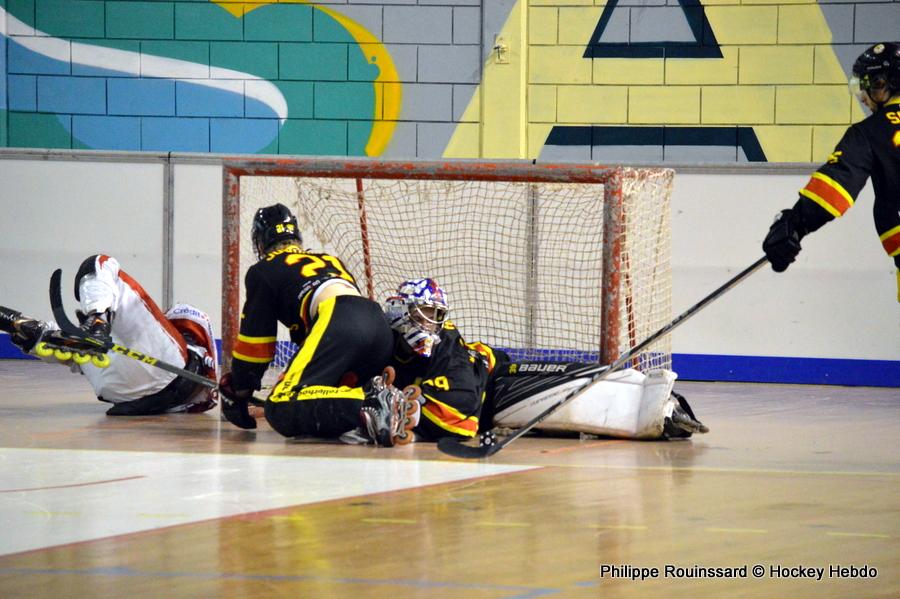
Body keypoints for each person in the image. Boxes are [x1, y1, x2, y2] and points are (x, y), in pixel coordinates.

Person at [378, 278, 706, 443]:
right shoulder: (385, 345)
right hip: (494, 407)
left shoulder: (446, 344)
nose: (431, 322)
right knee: (567, 413)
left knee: (583, 383)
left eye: (437, 315)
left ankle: (665, 408)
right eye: (425, 312)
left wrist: (411, 422)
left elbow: (460, 421)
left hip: (500, 381)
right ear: (400, 310)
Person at [218, 203, 420, 447]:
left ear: (260, 242)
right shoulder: (330, 260)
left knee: (280, 404)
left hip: (339, 318)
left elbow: (256, 348)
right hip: (376, 324)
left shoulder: (263, 270)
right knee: (318, 393)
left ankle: (371, 403)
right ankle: (377, 401)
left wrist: (240, 387)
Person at [762, 42, 900, 301]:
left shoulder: (870, 132)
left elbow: (832, 191)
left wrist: (793, 226)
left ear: (884, 83)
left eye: (867, 86)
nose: (865, 97)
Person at [0, 255, 219, 415]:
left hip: (119, 390)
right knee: (83, 349)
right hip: (156, 388)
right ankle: (91, 325)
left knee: (98, 263)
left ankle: (94, 323)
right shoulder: (181, 323)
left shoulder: (178, 316)